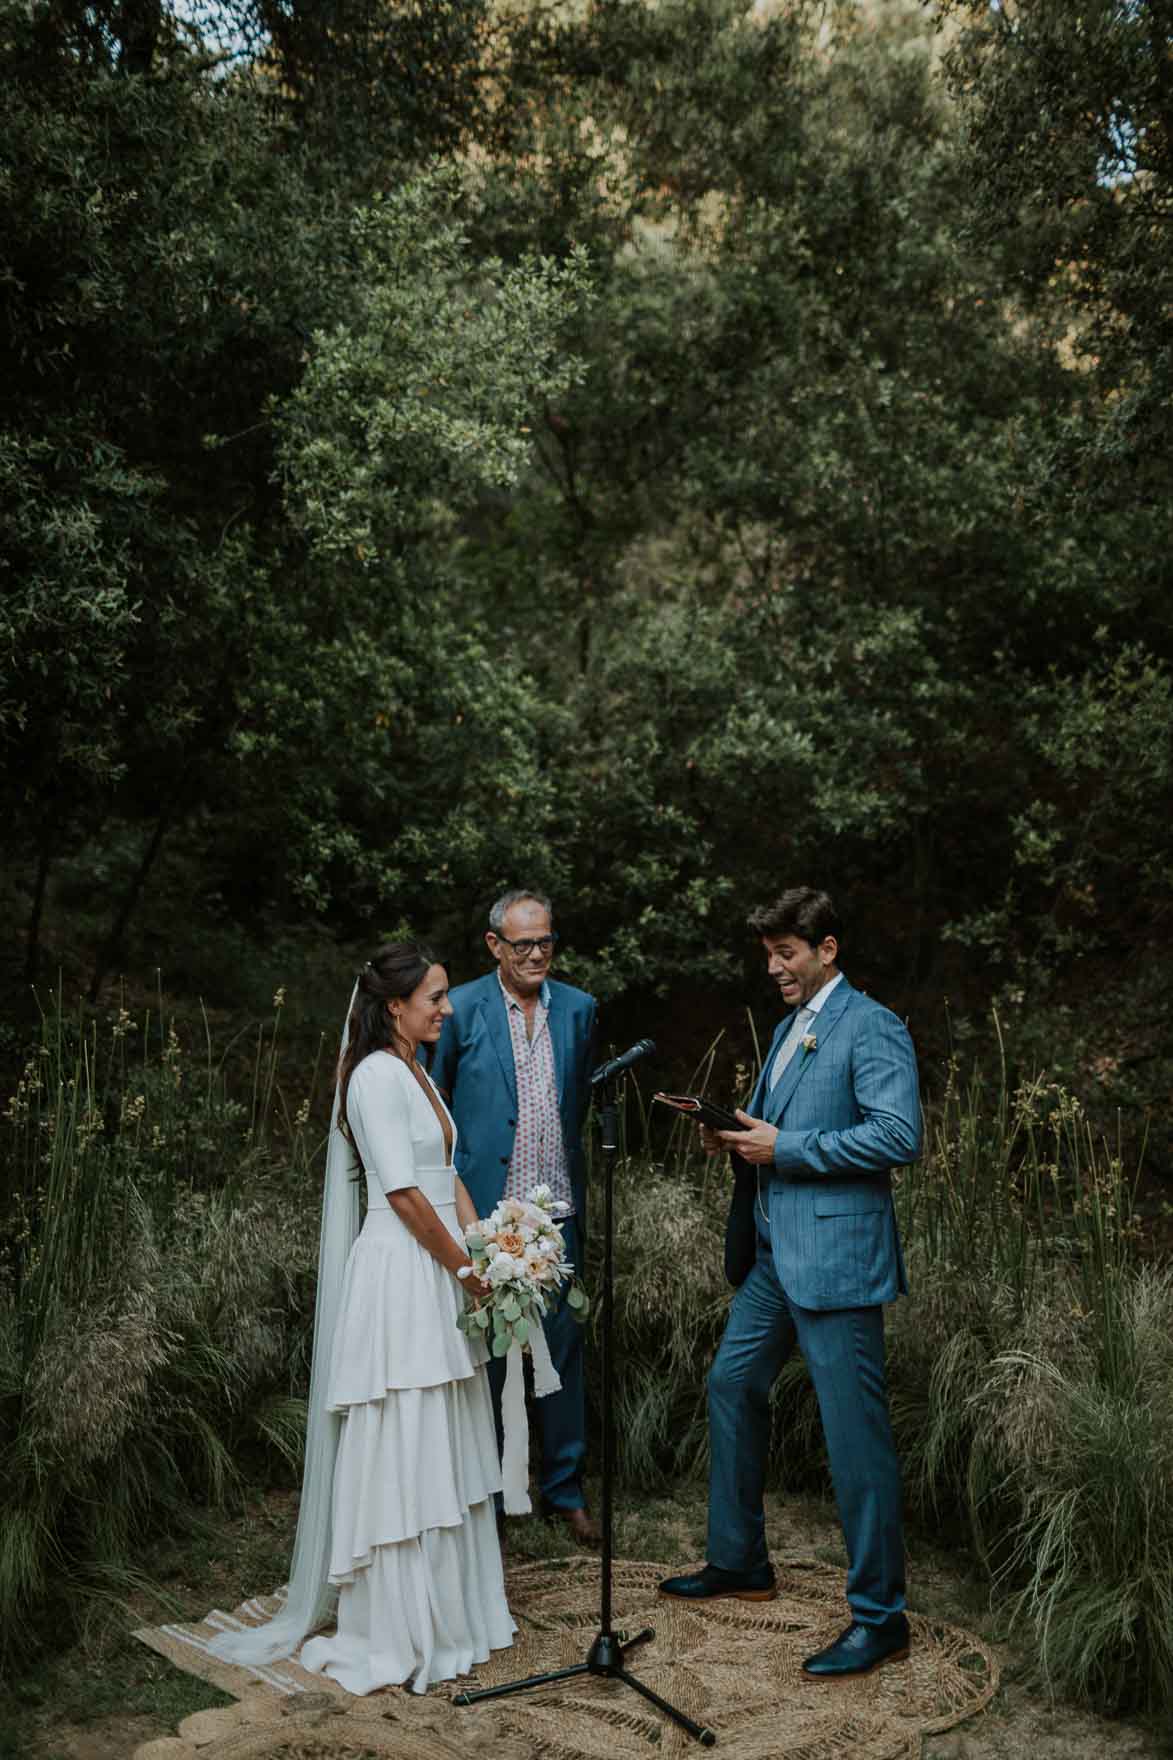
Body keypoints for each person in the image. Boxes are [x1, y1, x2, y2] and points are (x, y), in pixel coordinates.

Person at [207, 942, 514, 1694]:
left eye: (444, 995)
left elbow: (447, 1181)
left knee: (442, 1430)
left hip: (438, 1264)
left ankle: (452, 1612)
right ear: (393, 1007)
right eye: (435, 996)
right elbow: (404, 1195)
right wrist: (466, 1268)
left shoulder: (417, 1072)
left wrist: (494, 1253)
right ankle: (395, 1621)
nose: (446, 1007)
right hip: (402, 1271)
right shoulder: (375, 1077)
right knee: (405, 1427)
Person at [659, 888, 921, 1681]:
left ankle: (880, 1618)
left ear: (827, 950)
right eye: (767, 954)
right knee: (731, 1384)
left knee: (854, 1443)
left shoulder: (871, 1026)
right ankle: (740, 1563)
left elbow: (897, 1134)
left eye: (786, 954)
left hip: (836, 1265)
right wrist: (736, 1134)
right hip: (774, 1256)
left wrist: (789, 1146)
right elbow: (777, 1131)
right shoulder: (785, 1028)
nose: (773, 967)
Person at [432, 888, 599, 1544]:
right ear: (494, 945)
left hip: (556, 1211)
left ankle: (565, 1488)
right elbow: (435, 1102)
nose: (536, 955)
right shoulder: (461, 1007)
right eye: (522, 944)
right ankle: (495, 1488)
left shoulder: (581, 1010)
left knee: (562, 1350)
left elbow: (577, 1100)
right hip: (485, 1213)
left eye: (546, 942)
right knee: (492, 1354)